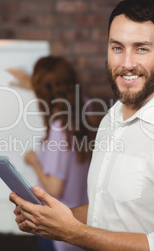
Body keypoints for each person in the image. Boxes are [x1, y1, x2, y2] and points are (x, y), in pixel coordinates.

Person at [9, 0, 154, 251]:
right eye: (117, 47)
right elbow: (104, 211)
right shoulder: (112, 117)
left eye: (141, 48)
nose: (127, 63)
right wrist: (51, 221)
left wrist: (73, 233)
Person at [8, 56, 95, 251]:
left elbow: (54, 188)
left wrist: (34, 162)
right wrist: (33, 84)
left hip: (58, 231)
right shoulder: (86, 107)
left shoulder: (59, 128)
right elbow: (62, 96)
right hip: (81, 225)